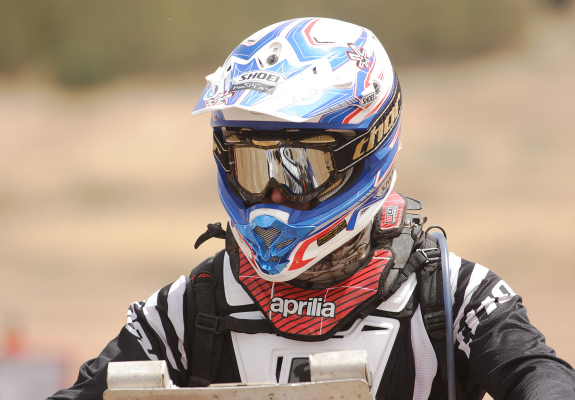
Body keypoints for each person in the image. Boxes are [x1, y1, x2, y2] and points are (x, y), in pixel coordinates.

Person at [48, 18, 575, 400]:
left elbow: (542, 376)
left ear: (365, 154)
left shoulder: (452, 296)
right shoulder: (192, 307)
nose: (273, 194)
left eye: (299, 168)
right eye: (253, 166)